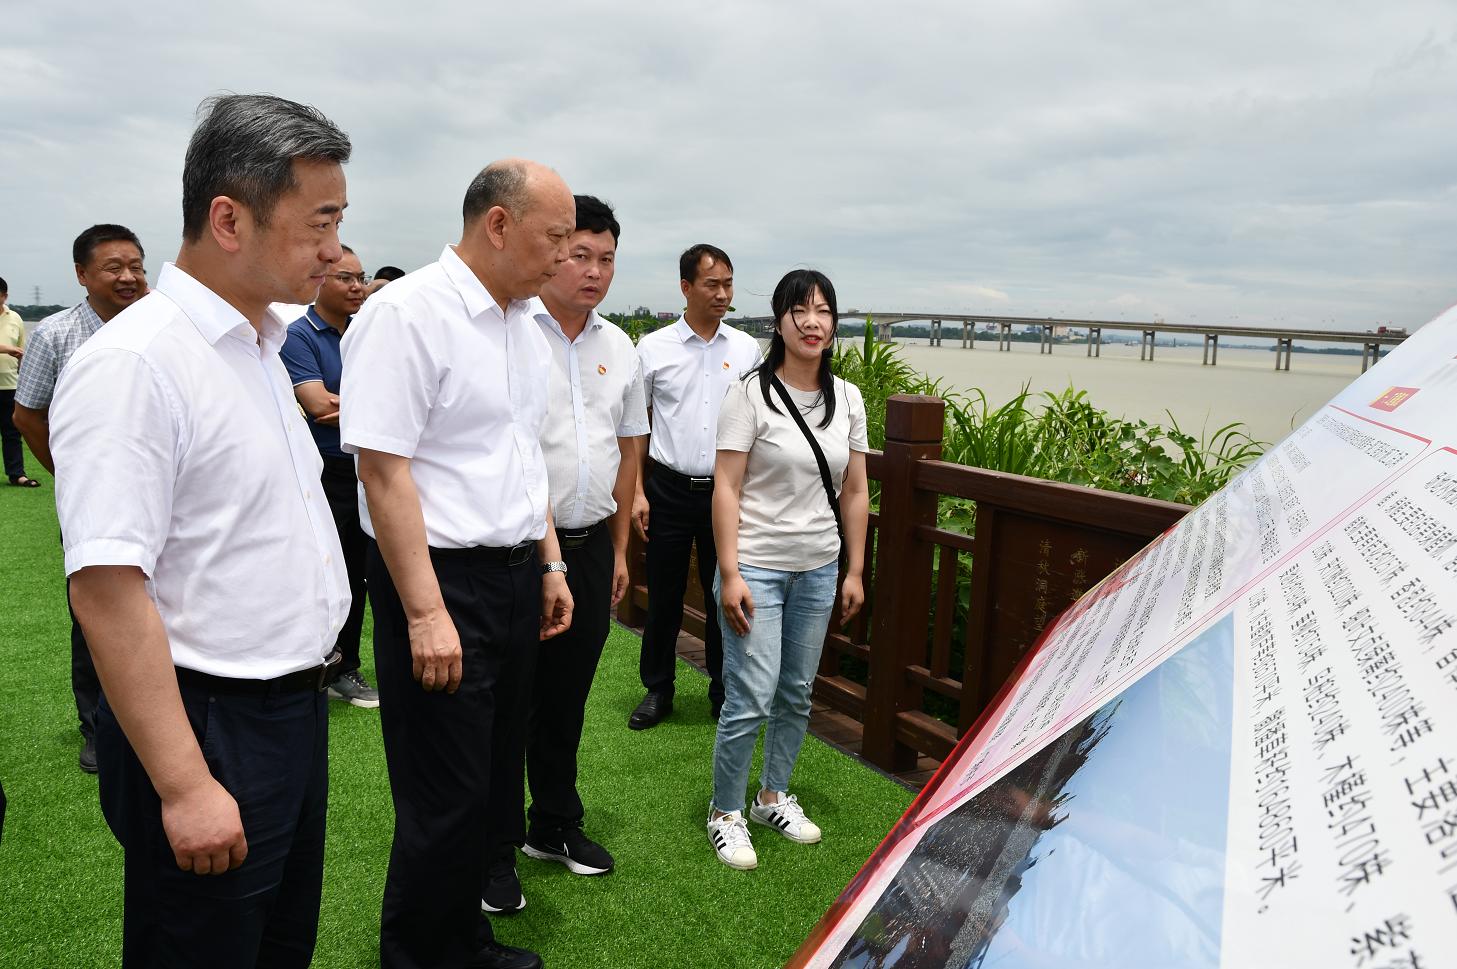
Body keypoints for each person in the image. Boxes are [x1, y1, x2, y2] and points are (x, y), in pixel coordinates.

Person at [49, 94, 353, 967]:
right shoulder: (138, 363)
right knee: (202, 943)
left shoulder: (259, 342)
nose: (334, 249)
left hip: (288, 705)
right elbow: (107, 589)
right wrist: (184, 784)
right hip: (209, 719)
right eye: (318, 221)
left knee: (274, 942)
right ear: (228, 217)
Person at [341, 158, 575, 969]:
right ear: (497, 224)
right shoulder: (408, 314)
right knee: (441, 793)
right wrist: (424, 610)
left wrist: (549, 563)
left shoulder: (520, 323)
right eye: (554, 237)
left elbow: (521, 457)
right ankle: (416, 956)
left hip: (512, 573)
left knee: (485, 783)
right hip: (437, 578)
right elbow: (383, 469)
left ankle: (462, 941)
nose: (565, 256)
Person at [482, 195, 646, 914]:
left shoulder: (619, 345)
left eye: (605, 258)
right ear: (551, 253)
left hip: (588, 545)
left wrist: (617, 548)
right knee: (505, 704)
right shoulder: (513, 333)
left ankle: (552, 823)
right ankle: (492, 849)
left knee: (565, 699)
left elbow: (628, 445)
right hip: (517, 553)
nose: (592, 271)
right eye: (578, 254)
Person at [705, 268, 869, 870]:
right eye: (799, 310)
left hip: (819, 566)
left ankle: (773, 795)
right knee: (750, 694)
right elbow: (726, 485)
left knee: (797, 692)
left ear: (833, 323)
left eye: (824, 310)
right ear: (779, 321)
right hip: (760, 565)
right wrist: (730, 571)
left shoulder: (847, 397)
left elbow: (855, 491)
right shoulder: (748, 394)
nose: (812, 322)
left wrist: (853, 570)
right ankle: (726, 811)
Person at [13, 224, 148, 773]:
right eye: (114, 267)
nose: (129, 276)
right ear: (82, 275)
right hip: (93, 500)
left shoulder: (160, 323)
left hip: (159, 492)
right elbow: (27, 414)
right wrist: (69, 477)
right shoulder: (56, 334)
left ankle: (156, 720)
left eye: (136, 265)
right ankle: (97, 727)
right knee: (97, 611)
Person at [629, 244, 759, 729]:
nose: (723, 293)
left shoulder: (746, 349)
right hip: (667, 486)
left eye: (728, 284)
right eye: (713, 284)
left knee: (726, 589)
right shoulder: (653, 348)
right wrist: (638, 491)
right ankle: (658, 688)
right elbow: (636, 427)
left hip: (725, 492)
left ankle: (724, 692)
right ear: (686, 287)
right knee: (662, 592)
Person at [280, 244, 380, 708]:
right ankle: (318, 658)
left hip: (368, 468)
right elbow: (319, 405)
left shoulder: (369, 331)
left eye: (361, 278)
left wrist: (357, 407)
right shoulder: (300, 335)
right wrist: (381, 408)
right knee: (325, 570)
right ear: (322, 280)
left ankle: (347, 665)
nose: (357, 287)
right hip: (325, 472)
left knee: (362, 571)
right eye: (346, 278)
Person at [0, 276, 35, 487]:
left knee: (12, 432)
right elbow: (12, 349)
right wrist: (6, 349)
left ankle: (16, 474)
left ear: (4, 296)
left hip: (10, 384)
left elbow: (22, 350)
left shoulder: (15, 318)